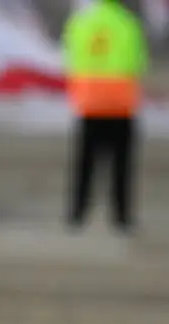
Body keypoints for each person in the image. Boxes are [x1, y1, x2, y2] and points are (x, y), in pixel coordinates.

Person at [63, 0, 148, 233]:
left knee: (85, 164)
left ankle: (77, 213)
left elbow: (69, 58)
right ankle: (121, 216)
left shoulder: (82, 22)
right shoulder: (128, 23)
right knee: (121, 166)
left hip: (89, 102)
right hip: (120, 104)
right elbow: (138, 62)